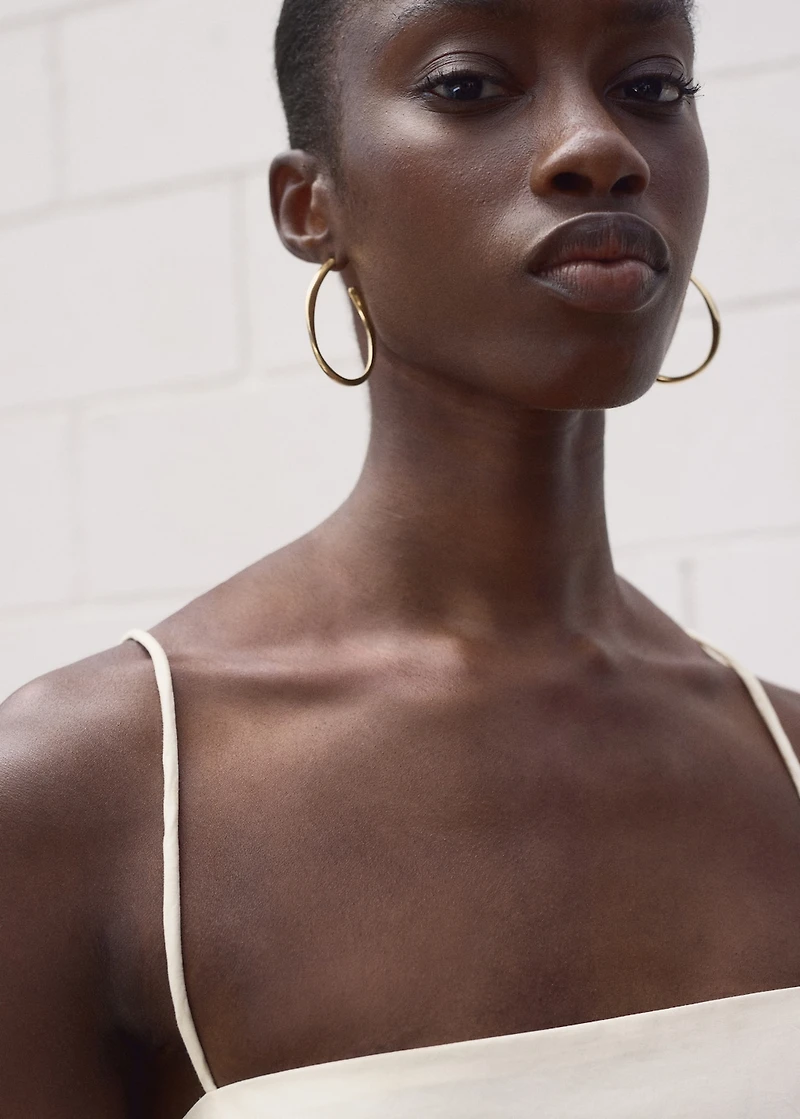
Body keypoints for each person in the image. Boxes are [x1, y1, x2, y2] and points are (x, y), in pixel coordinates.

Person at [2, 0, 799, 1114]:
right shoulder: (81, 799)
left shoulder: (783, 758)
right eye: (469, 85)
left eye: (650, 87)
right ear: (309, 207)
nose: (598, 148)